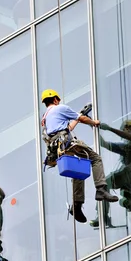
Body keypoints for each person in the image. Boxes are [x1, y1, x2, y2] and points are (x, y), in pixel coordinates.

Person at [40, 89, 118, 223]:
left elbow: (67, 128)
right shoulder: (60, 108)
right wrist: (94, 122)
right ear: (55, 100)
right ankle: (101, 189)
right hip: (69, 144)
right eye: (58, 100)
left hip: (59, 149)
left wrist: (81, 114)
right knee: (95, 159)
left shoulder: (46, 117)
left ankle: (76, 206)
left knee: (78, 172)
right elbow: (80, 119)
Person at [89, 120, 131, 227]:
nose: (125, 132)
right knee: (108, 184)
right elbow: (104, 144)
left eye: (127, 129)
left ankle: (107, 213)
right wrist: (92, 127)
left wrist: (109, 128)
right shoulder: (126, 147)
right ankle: (124, 203)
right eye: (124, 130)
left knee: (109, 181)